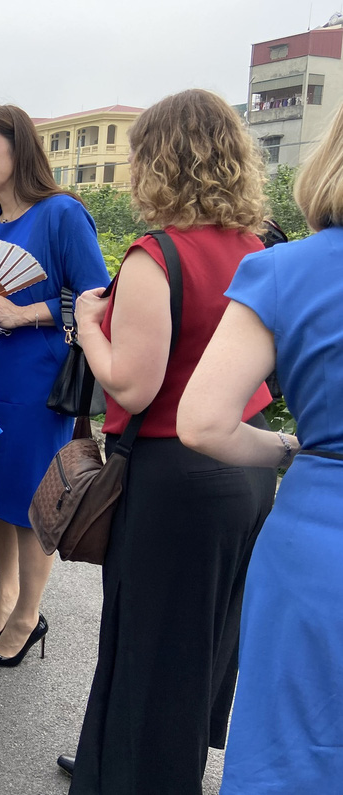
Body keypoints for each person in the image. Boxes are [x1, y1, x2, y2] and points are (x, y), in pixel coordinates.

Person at [66, 89, 277, 794]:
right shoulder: (256, 250)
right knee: (205, 642)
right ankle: (130, 758)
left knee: (152, 641)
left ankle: (137, 770)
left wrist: (88, 325)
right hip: (242, 468)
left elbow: (131, 386)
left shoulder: (157, 255)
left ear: (159, 162)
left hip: (173, 471)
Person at [176, 100, 343, 795]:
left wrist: (291, 449)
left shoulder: (288, 271)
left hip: (319, 536)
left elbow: (204, 422)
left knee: (293, 751)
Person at [0, 106, 109, 667]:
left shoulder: (61, 213)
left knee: (35, 497)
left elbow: (99, 298)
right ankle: (6, 601)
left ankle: (28, 614)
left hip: (41, 380)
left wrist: (23, 314)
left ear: (19, 147)